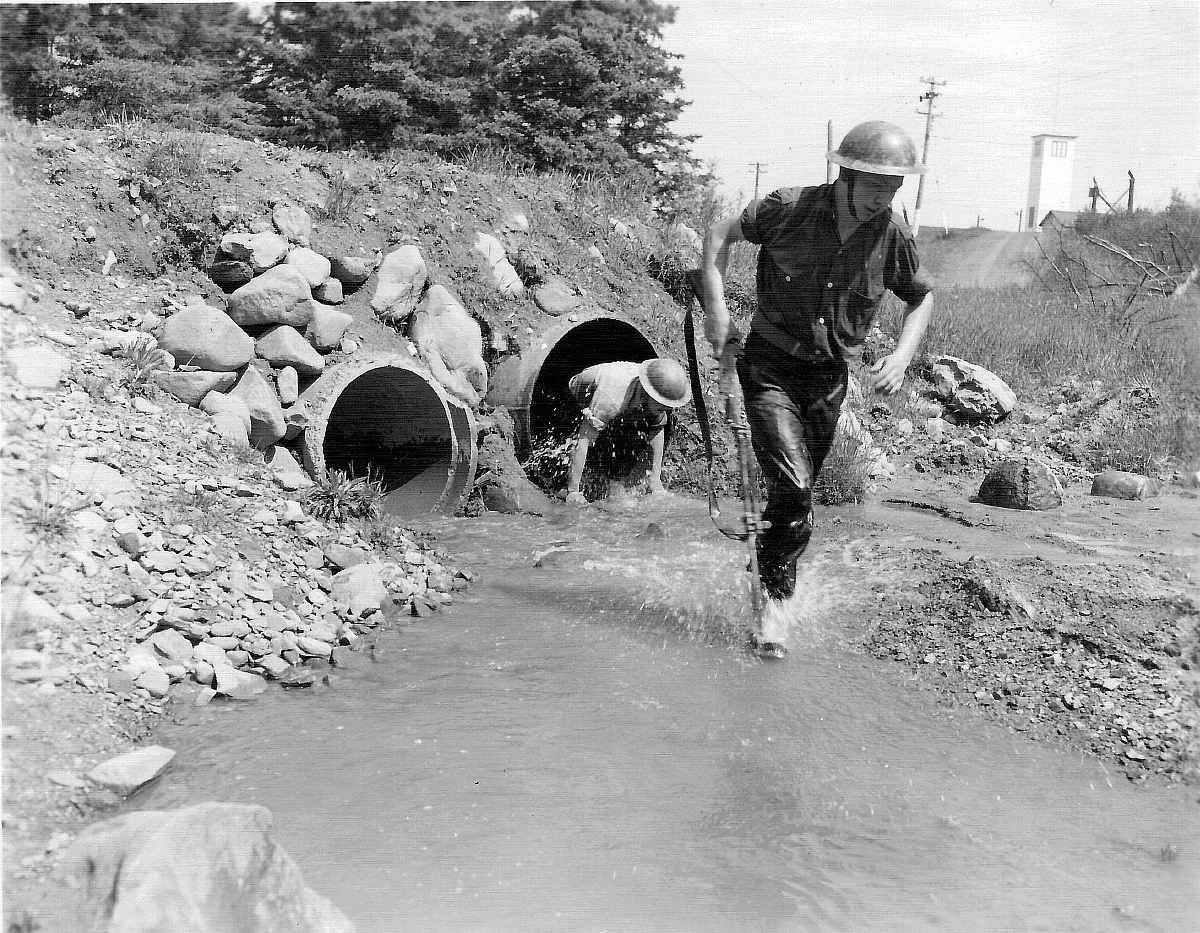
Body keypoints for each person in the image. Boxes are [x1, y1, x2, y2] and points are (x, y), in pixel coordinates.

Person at [699, 120, 935, 641]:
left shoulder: (892, 235)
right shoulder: (788, 208)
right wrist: (718, 312)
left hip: (828, 378)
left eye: (894, 187)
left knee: (797, 500)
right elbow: (718, 235)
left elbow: (921, 297)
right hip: (768, 365)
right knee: (794, 483)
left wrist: (902, 353)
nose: (884, 197)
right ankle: (773, 611)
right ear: (845, 174)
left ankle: (767, 582)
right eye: (876, 185)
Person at [561, 358, 691, 504]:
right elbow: (583, 441)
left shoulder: (654, 390)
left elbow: (657, 428)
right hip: (574, 398)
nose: (666, 409)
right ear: (648, 394)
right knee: (576, 437)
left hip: (621, 400)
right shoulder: (611, 399)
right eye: (663, 406)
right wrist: (573, 491)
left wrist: (655, 478)